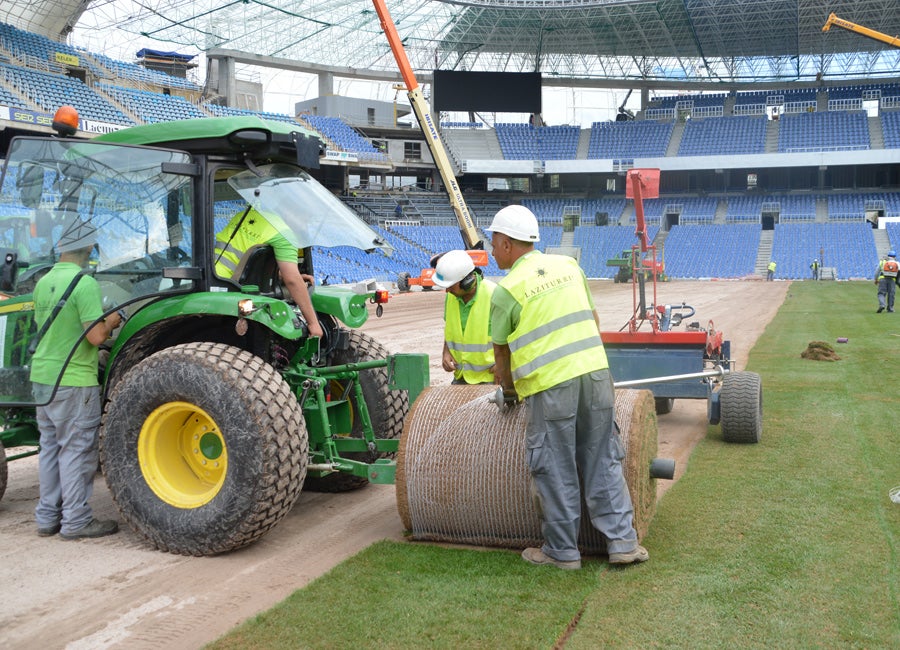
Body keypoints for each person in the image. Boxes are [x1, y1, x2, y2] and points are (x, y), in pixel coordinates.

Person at [487, 205, 648, 569]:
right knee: (603, 457)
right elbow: (592, 318)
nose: (491, 250)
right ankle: (622, 543)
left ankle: (562, 552)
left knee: (554, 466)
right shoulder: (569, 267)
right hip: (595, 374)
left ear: (509, 244)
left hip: (552, 386)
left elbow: (501, 353)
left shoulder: (506, 290)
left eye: (494, 243)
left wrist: (510, 392)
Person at [31, 220, 122, 540]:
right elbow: (96, 336)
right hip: (73, 379)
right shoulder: (85, 284)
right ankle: (76, 521)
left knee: (50, 448)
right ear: (89, 248)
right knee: (77, 450)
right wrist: (113, 318)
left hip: (43, 376)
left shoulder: (43, 282)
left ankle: (47, 517)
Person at [214, 206, 323, 338]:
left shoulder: (246, 215)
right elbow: (292, 280)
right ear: (292, 212)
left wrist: (283, 275)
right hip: (231, 291)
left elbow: (247, 262)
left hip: (215, 280)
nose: (305, 226)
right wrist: (313, 323)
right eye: (306, 219)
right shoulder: (284, 233)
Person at [432, 250, 496, 385]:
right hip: (460, 376)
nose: (447, 291)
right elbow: (450, 327)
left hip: (490, 378)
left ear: (467, 281)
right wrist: (446, 351)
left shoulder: (494, 295)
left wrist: (505, 366)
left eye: (451, 286)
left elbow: (513, 334)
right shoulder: (451, 297)